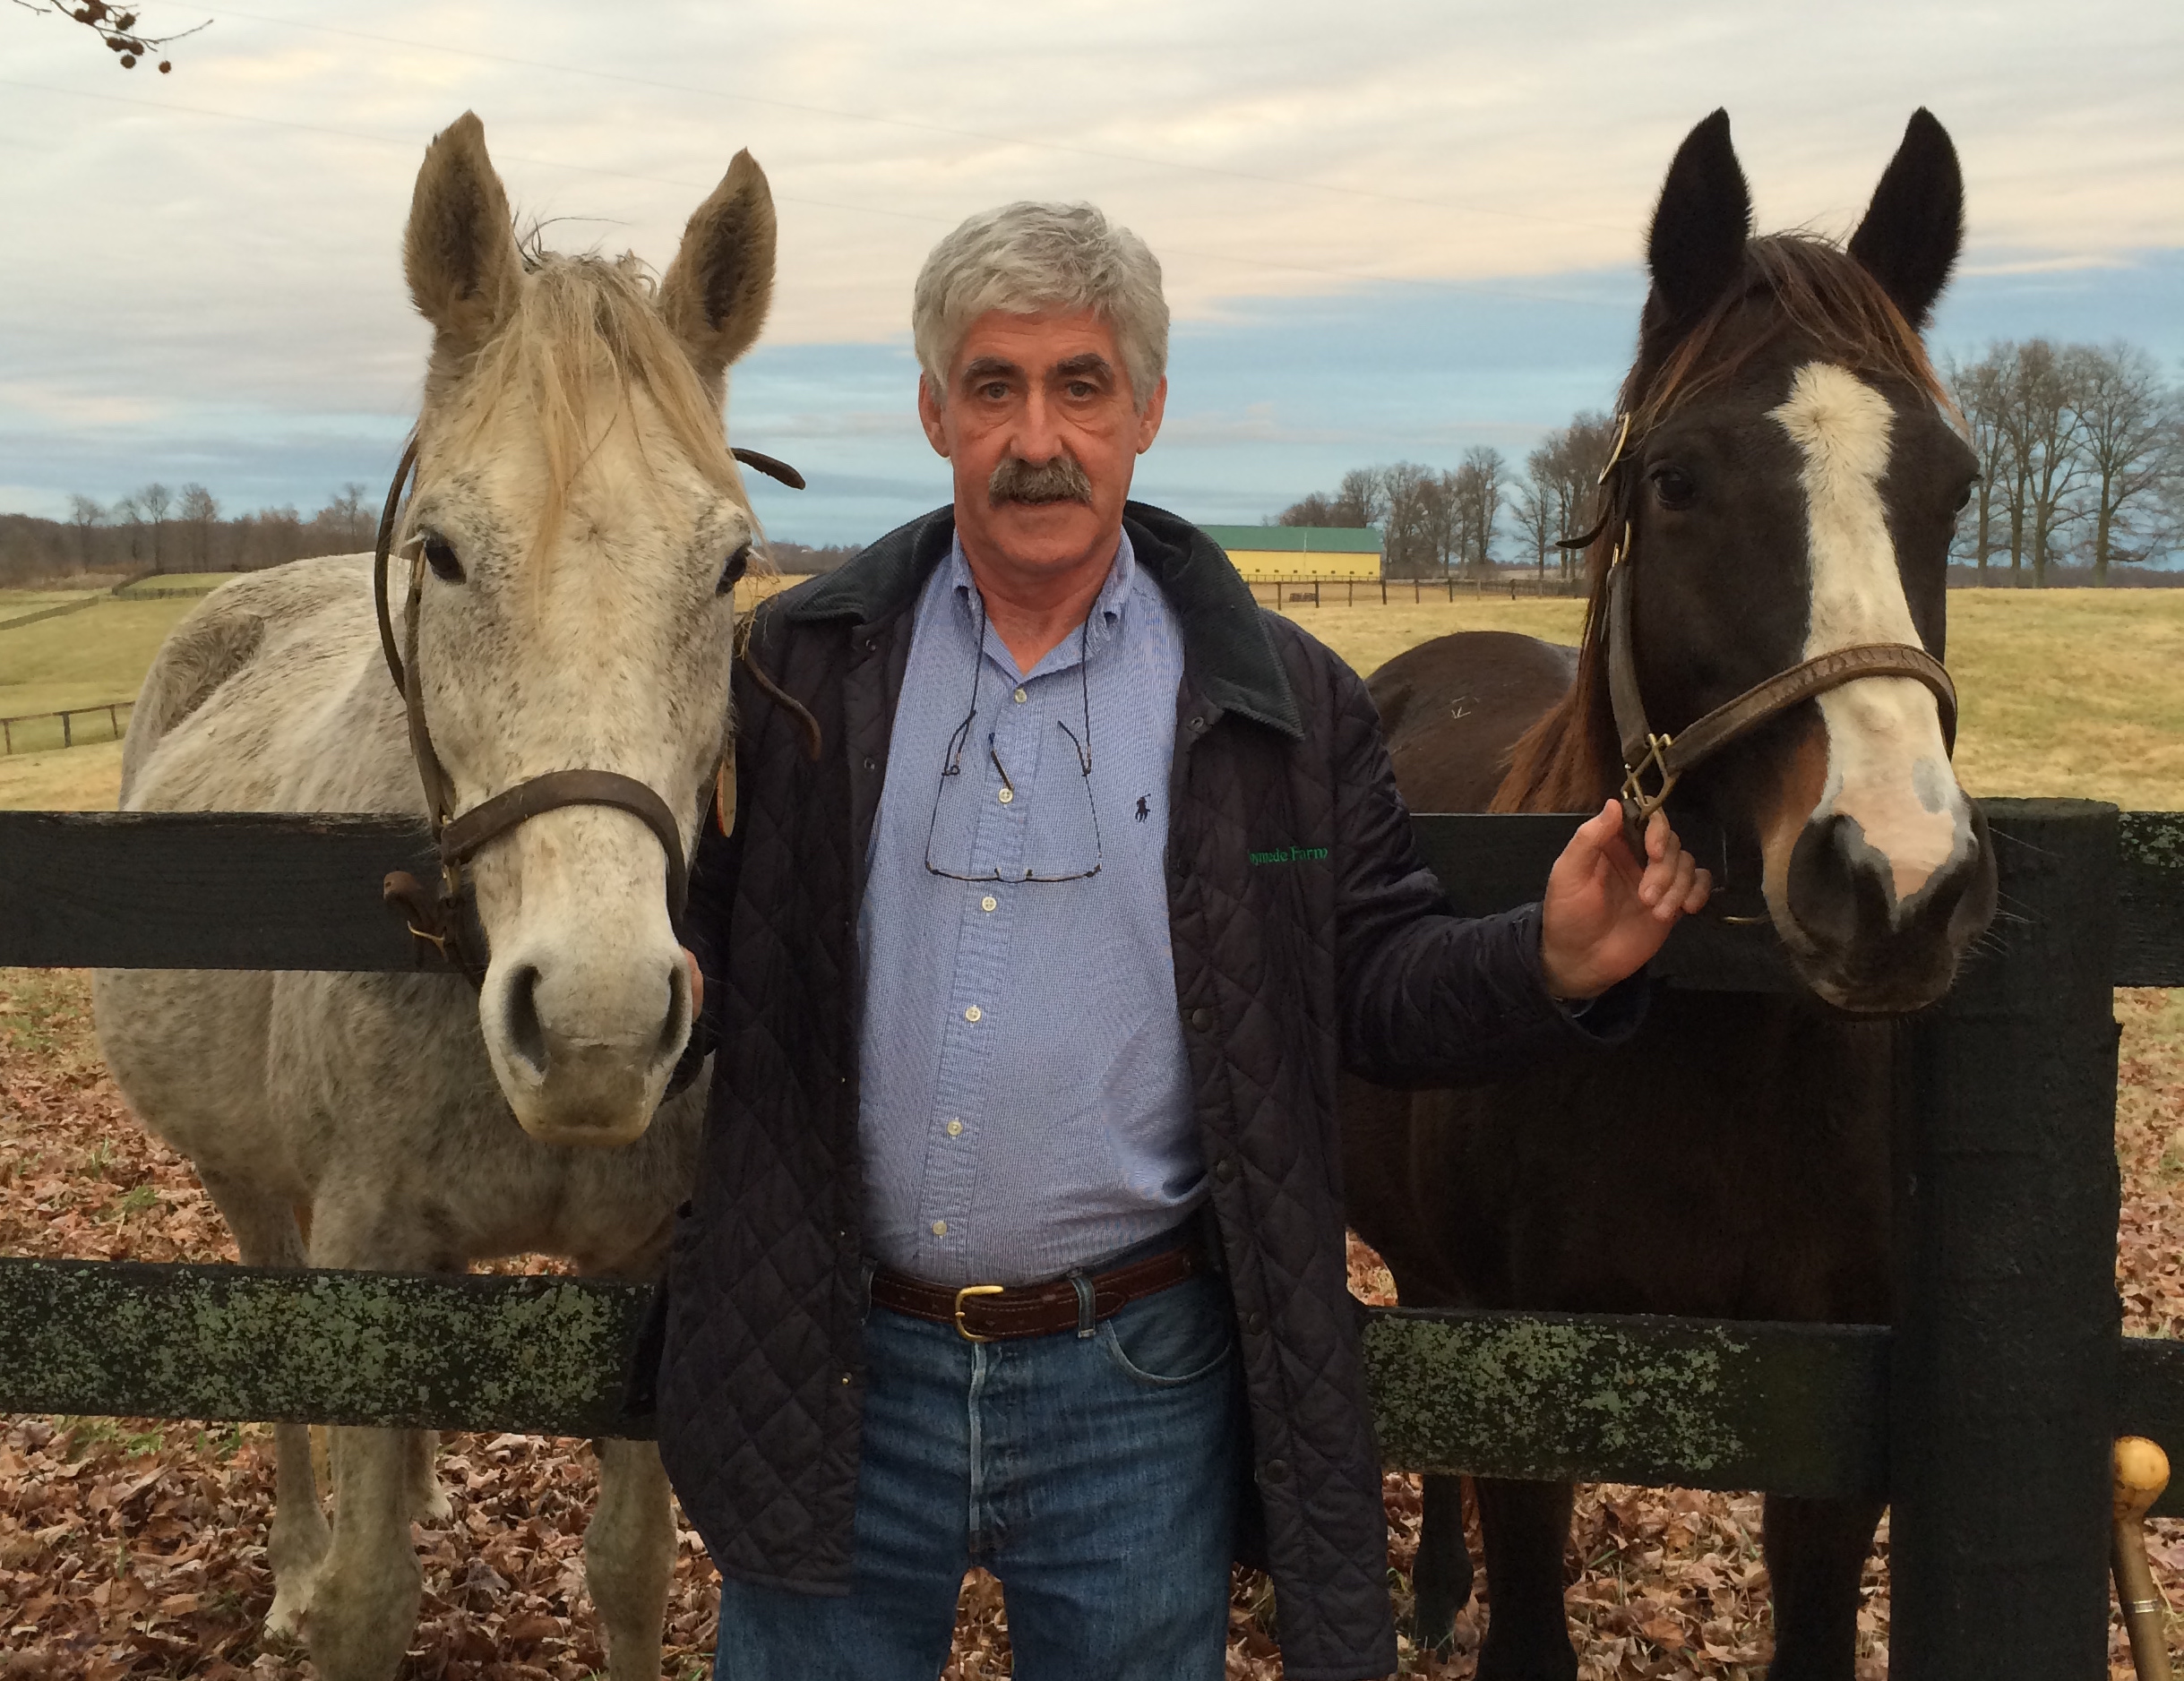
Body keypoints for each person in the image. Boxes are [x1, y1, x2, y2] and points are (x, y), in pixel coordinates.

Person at [651, 201, 1710, 1681]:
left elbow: (1370, 985)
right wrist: (669, 974)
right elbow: (700, 929)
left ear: (1144, 409)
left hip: (1133, 1386)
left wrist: (1547, 958)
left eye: (1080, 386)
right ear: (932, 410)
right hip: (835, 1366)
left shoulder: (1279, 699)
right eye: (994, 385)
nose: (1038, 435)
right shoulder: (800, 671)